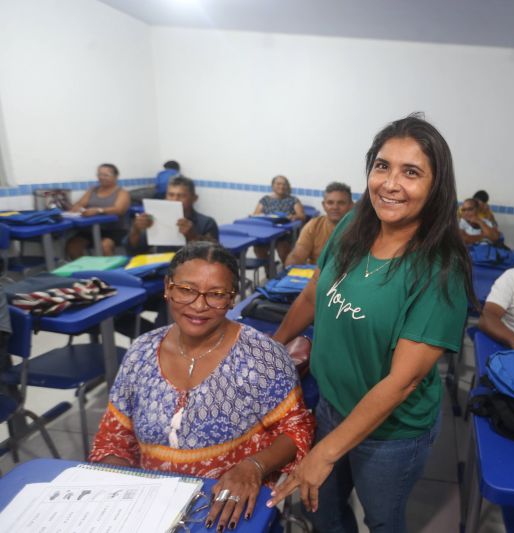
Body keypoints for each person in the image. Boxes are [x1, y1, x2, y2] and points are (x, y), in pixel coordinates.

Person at [267, 115, 471, 532]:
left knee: (381, 519)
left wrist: (322, 455)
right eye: (382, 166)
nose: (390, 183)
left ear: (436, 187)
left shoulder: (439, 271)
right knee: (322, 510)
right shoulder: (354, 225)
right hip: (330, 403)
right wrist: (274, 347)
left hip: (392, 433)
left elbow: (402, 382)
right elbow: (312, 295)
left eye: (411, 172)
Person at [89, 242, 314, 531]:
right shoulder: (140, 353)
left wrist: (253, 466)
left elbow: (296, 429)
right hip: (151, 509)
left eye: (217, 295)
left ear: (232, 299)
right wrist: (120, 484)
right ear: (167, 287)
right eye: (186, 289)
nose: (198, 305)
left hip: (226, 508)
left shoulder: (262, 356)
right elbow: (115, 435)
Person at [126, 175, 219, 254]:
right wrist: (136, 230)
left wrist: (192, 236)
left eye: (182, 196)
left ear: (194, 198)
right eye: (170, 195)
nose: (175, 200)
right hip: (158, 268)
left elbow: (212, 256)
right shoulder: (155, 219)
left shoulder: (207, 223)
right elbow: (133, 251)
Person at [65, 163, 131, 258]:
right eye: (99, 174)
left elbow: (119, 209)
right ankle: (85, 271)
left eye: (106, 175)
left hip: (115, 231)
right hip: (90, 230)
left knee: (104, 246)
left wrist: (98, 210)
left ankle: (108, 272)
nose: (102, 177)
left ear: (116, 177)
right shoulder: (92, 190)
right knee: (73, 246)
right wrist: (77, 208)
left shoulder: (122, 192)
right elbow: (80, 204)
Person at [285, 181, 354, 266]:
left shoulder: (360, 228)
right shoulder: (313, 226)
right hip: (317, 275)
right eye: (330, 203)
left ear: (351, 205)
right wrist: (288, 273)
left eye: (341, 203)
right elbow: (297, 256)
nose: (335, 207)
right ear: (324, 205)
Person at [252, 175, 306, 266]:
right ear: (273, 186)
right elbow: (256, 215)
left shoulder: (293, 200)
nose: (281, 186)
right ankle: (269, 269)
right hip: (266, 232)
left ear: (287, 186)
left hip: (284, 234)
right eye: (278, 184)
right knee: (258, 248)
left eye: (284, 184)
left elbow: (302, 216)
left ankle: (287, 272)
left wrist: (293, 217)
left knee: (283, 249)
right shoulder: (265, 200)